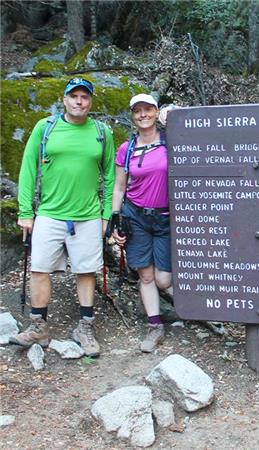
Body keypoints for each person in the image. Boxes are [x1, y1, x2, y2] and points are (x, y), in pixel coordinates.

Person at [11, 78, 115, 357]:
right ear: (64, 99)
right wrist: (25, 212)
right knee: (40, 268)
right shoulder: (45, 128)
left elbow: (109, 175)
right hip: (49, 213)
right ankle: (38, 326)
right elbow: (28, 170)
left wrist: (106, 215)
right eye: (74, 96)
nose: (79, 101)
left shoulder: (102, 132)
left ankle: (85, 326)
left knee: (86, 270)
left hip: (88, 214)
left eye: (84, 97)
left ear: (90, 101)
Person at [110, 94, 172, 353]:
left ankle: (200, 306)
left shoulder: (173, 142)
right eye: (138, 110)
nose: (143, 114)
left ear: (157, 113)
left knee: (163, 279)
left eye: (149, 109)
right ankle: (155, 325)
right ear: (132, 116)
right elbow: (119, 187)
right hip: (136, 216)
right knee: (145, 275)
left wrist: (176, 113)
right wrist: (115, 217)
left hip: (167, 218)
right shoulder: (126, 149)